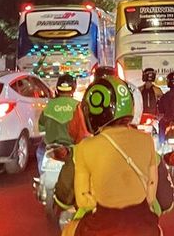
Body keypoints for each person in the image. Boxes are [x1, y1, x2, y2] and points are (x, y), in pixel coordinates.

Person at [69, 75, 163, 235]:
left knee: (68, 230)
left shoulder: (85, 147)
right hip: (143, 226)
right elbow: (150, 193)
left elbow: (83, 200)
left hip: (100, 226)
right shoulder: (147, 140)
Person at [37, 73, 87, 171]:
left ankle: (41, 175)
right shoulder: (78, 106)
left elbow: (41, 128)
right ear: (73, 88)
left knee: (40, 151)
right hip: (73, 148)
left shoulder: (49, 106)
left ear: (57, 88)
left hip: (52, 147)